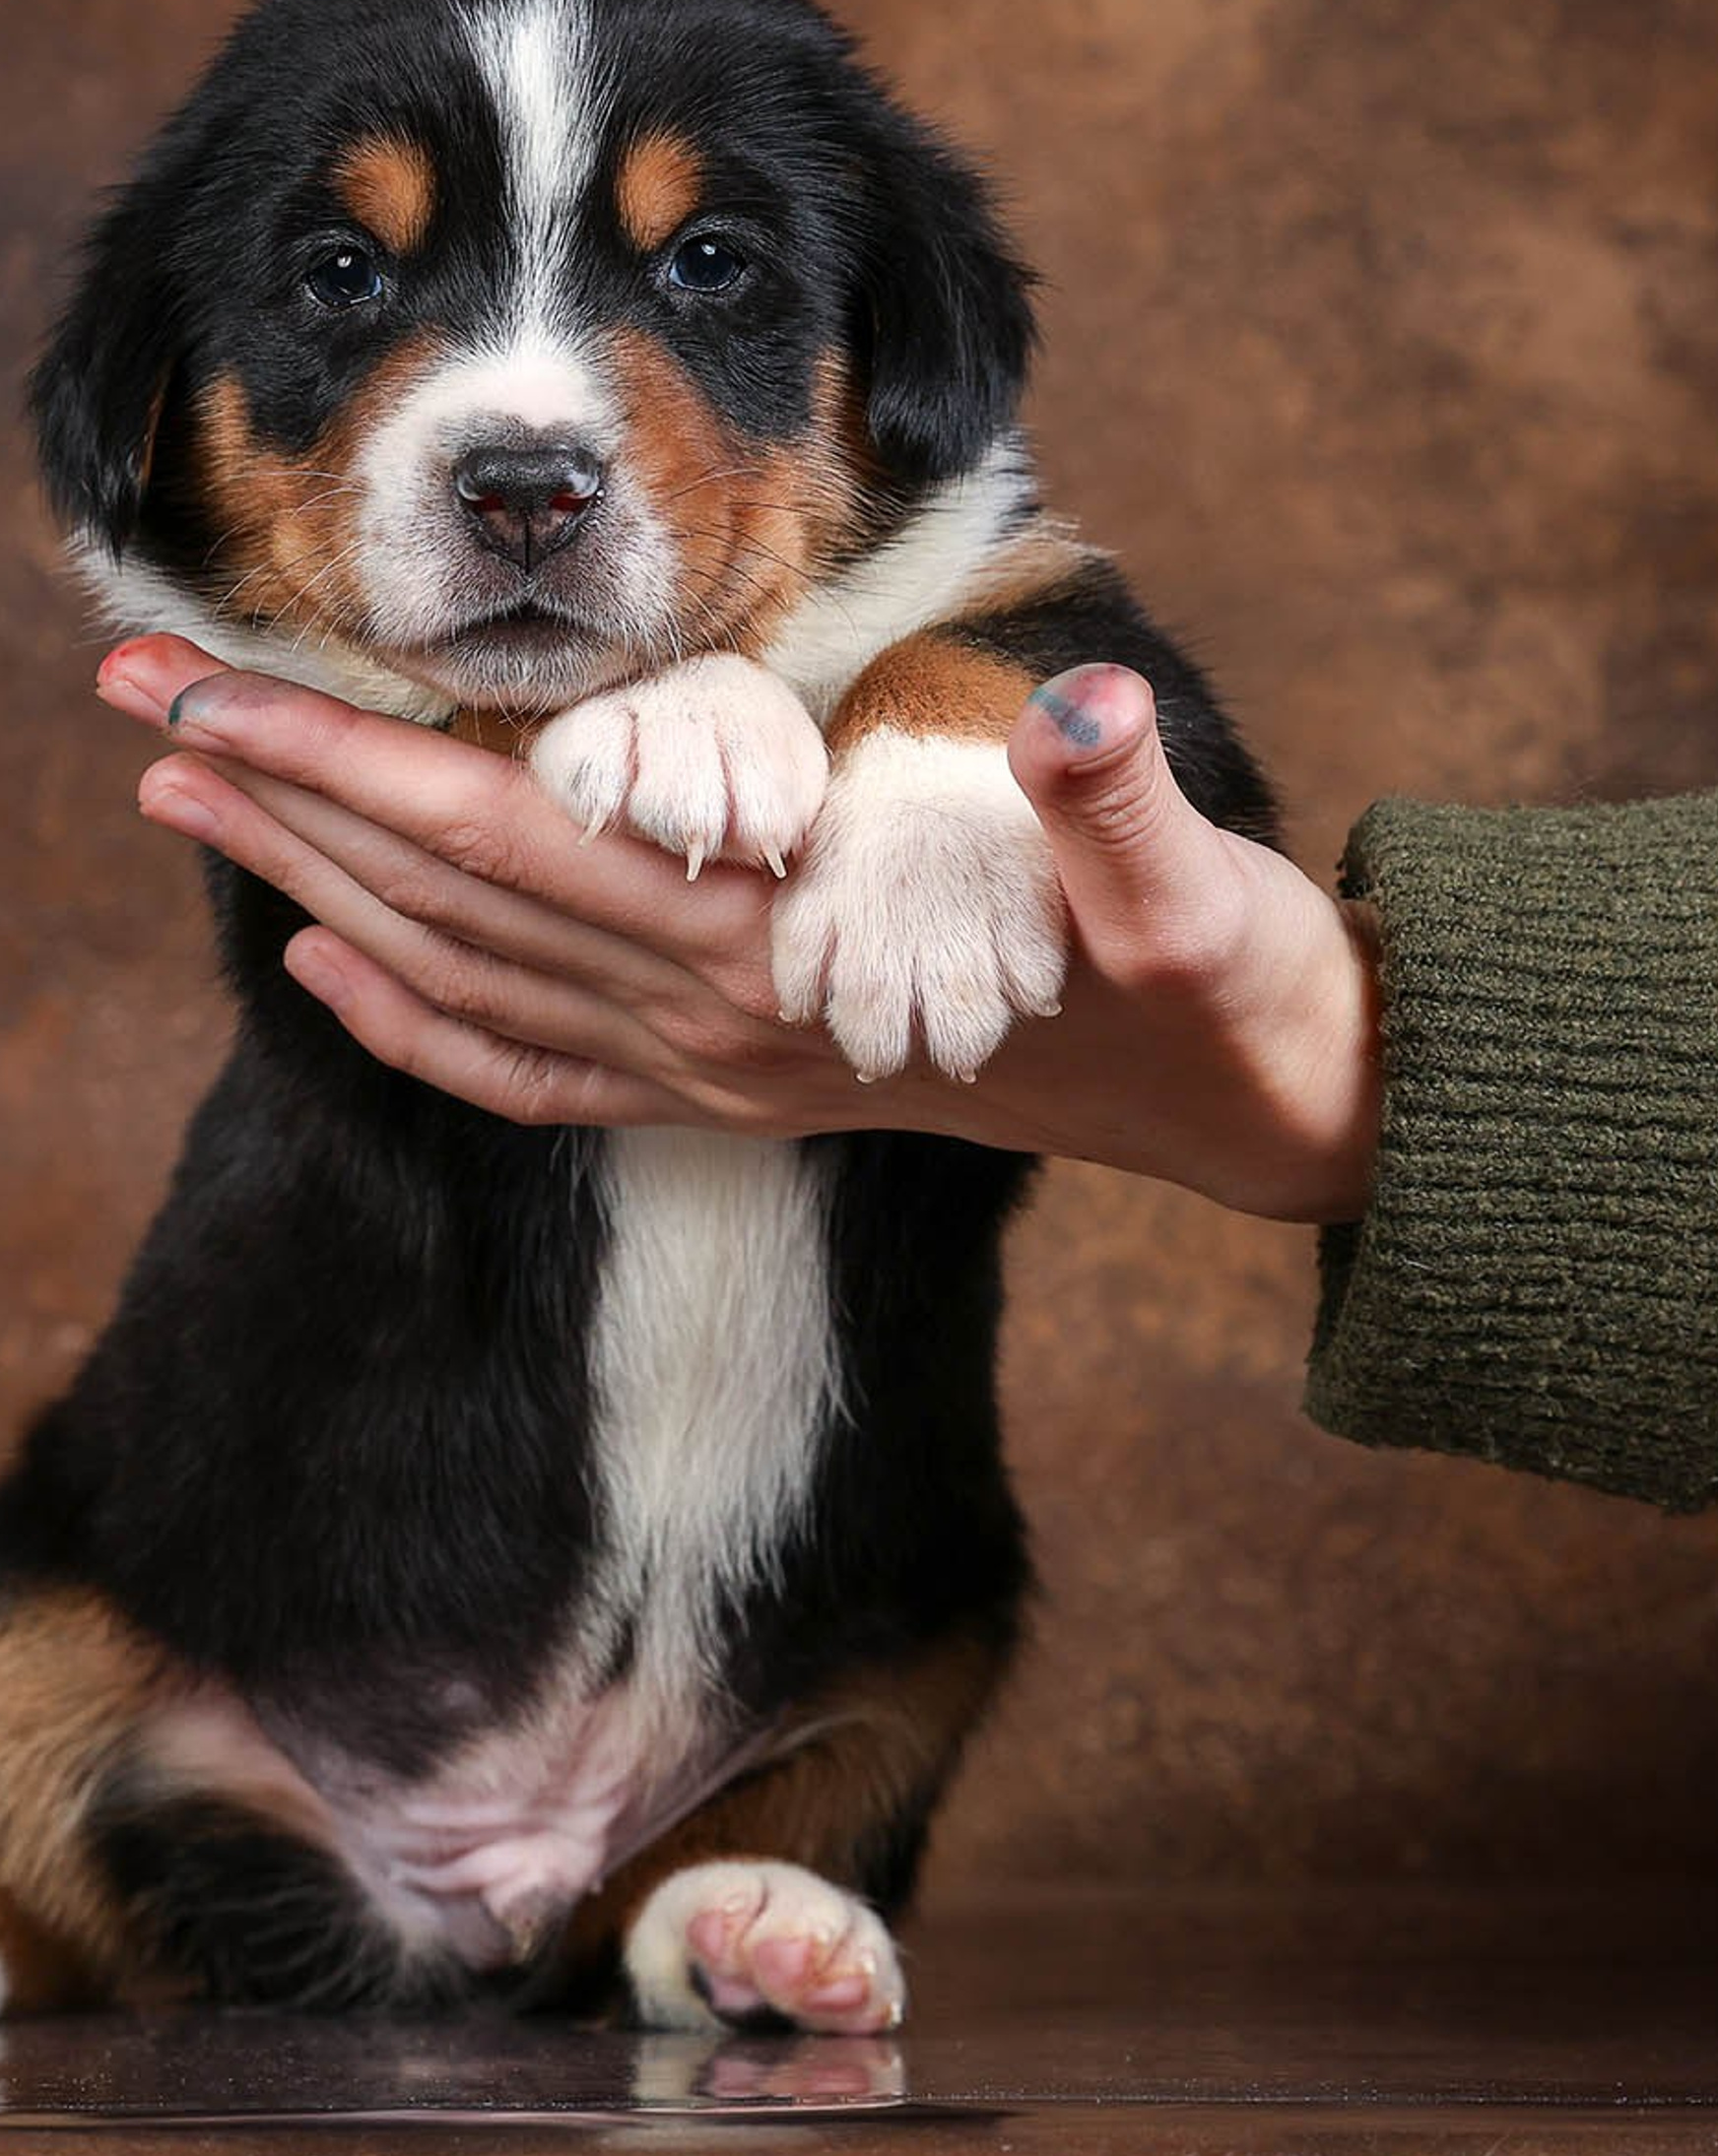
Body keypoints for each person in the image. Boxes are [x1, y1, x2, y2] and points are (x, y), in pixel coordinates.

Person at [94, 634, 1718, 1514]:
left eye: (710, 270)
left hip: (805, 1656)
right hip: (286, 1545)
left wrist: (940, 736)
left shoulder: (947, 559)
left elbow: (1140, 734)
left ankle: (720, 1866)